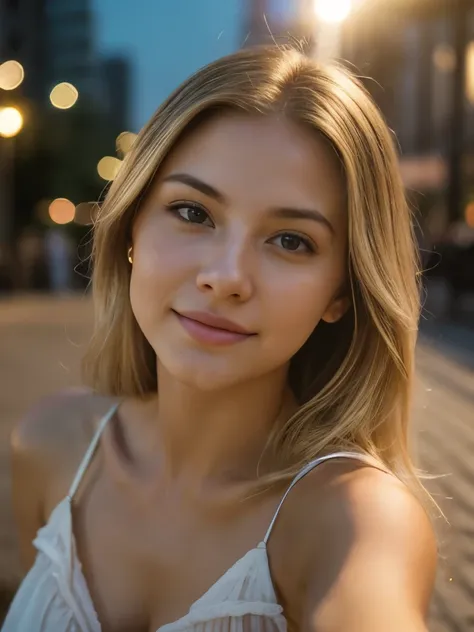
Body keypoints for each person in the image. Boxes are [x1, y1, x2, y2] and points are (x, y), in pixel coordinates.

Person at [4, 46, 437, 632]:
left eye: (291, 241)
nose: (226, 277)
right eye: (192, 212)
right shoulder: (49, 447)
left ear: (342, 291)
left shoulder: (354, 521)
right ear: (133, 226)